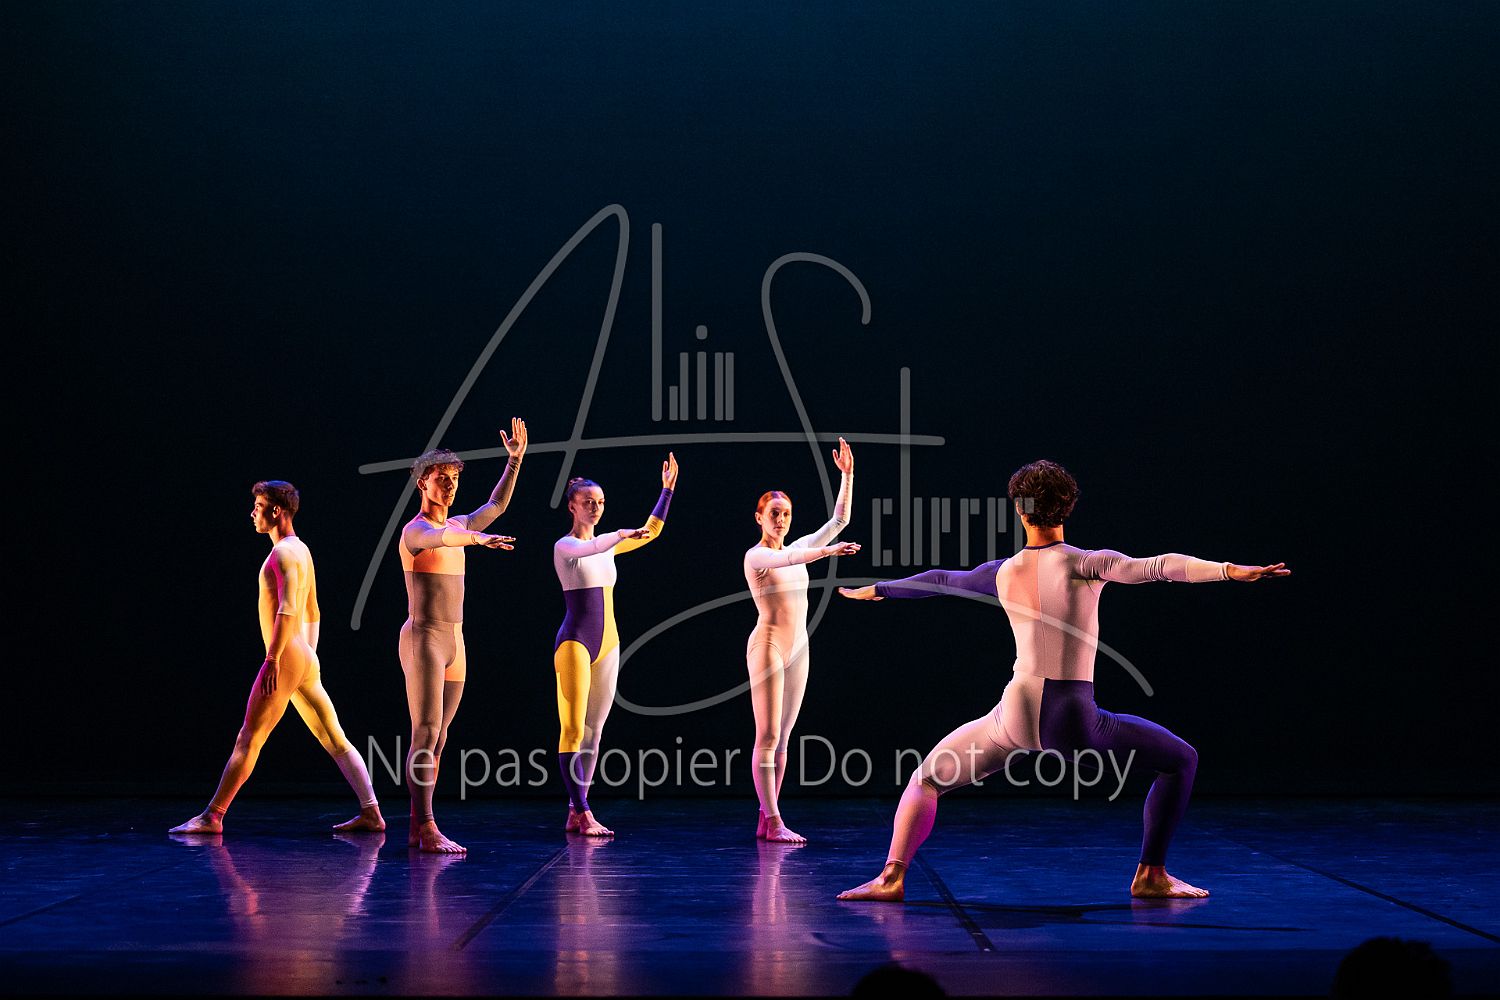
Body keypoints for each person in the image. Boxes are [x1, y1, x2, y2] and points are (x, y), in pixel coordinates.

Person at [836, 459, 1289, 901]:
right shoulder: (1086, 563)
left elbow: (940, 578)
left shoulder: (1001, 572)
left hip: (1013, 714)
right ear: (1068, 506)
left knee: (927, 779)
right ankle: (1151, 875)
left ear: (1019, 509)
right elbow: (1158, 566)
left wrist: (878, 589)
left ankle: (891, 877)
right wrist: (1228, 570)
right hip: (1071, 718)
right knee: (1180, 760)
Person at [171, 481, 384, 835]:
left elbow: (288, 610)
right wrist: (310, 658)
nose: (252, 513)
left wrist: (274, 660)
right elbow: (314, 610)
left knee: (249, 738)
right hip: (302, 657)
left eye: (258, 506)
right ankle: (372, 812)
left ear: (276, 511)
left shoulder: (282, 554)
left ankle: (212, 817)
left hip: (285, 656)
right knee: (334, 737)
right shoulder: (302, 550)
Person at [399, 418, 527, 853]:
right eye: (442, 478)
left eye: (454, 479)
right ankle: (426, 825)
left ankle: (418, 825)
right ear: (423, 483)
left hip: (456, 641)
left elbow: (496, 505)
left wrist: (514, 462)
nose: (450, 485)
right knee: (425, 731)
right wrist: (476, 539)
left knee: (440, 738)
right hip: (424, 639)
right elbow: (441, 538)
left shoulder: (457, 523)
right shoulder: (415, 530)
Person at [552, 453, 678, 836]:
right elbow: (590, 549)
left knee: (595, 731)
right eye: (588, 502)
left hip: (608, 643)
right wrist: (620, 534)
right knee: (573, 729)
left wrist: (667, 490)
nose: (595, 508)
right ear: (572, 506)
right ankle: (583, 810)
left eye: (601, 502)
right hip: (575, 643)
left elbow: (651, 531)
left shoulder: (607, 544)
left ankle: (576, 810)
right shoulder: (565, 546)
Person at [745, 438, 859, 843]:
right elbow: (788, 559)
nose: (781, 520)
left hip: (798, 648)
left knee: (784, 740)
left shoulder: (798, 545)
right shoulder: (757, 556)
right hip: (768, 647)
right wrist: (828, 553)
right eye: (774, 513)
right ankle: (774, 820)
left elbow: (839, 520)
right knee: (767, 736)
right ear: (759, 517)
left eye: (786, 514)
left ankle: (767, 817)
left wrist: (847, 476)